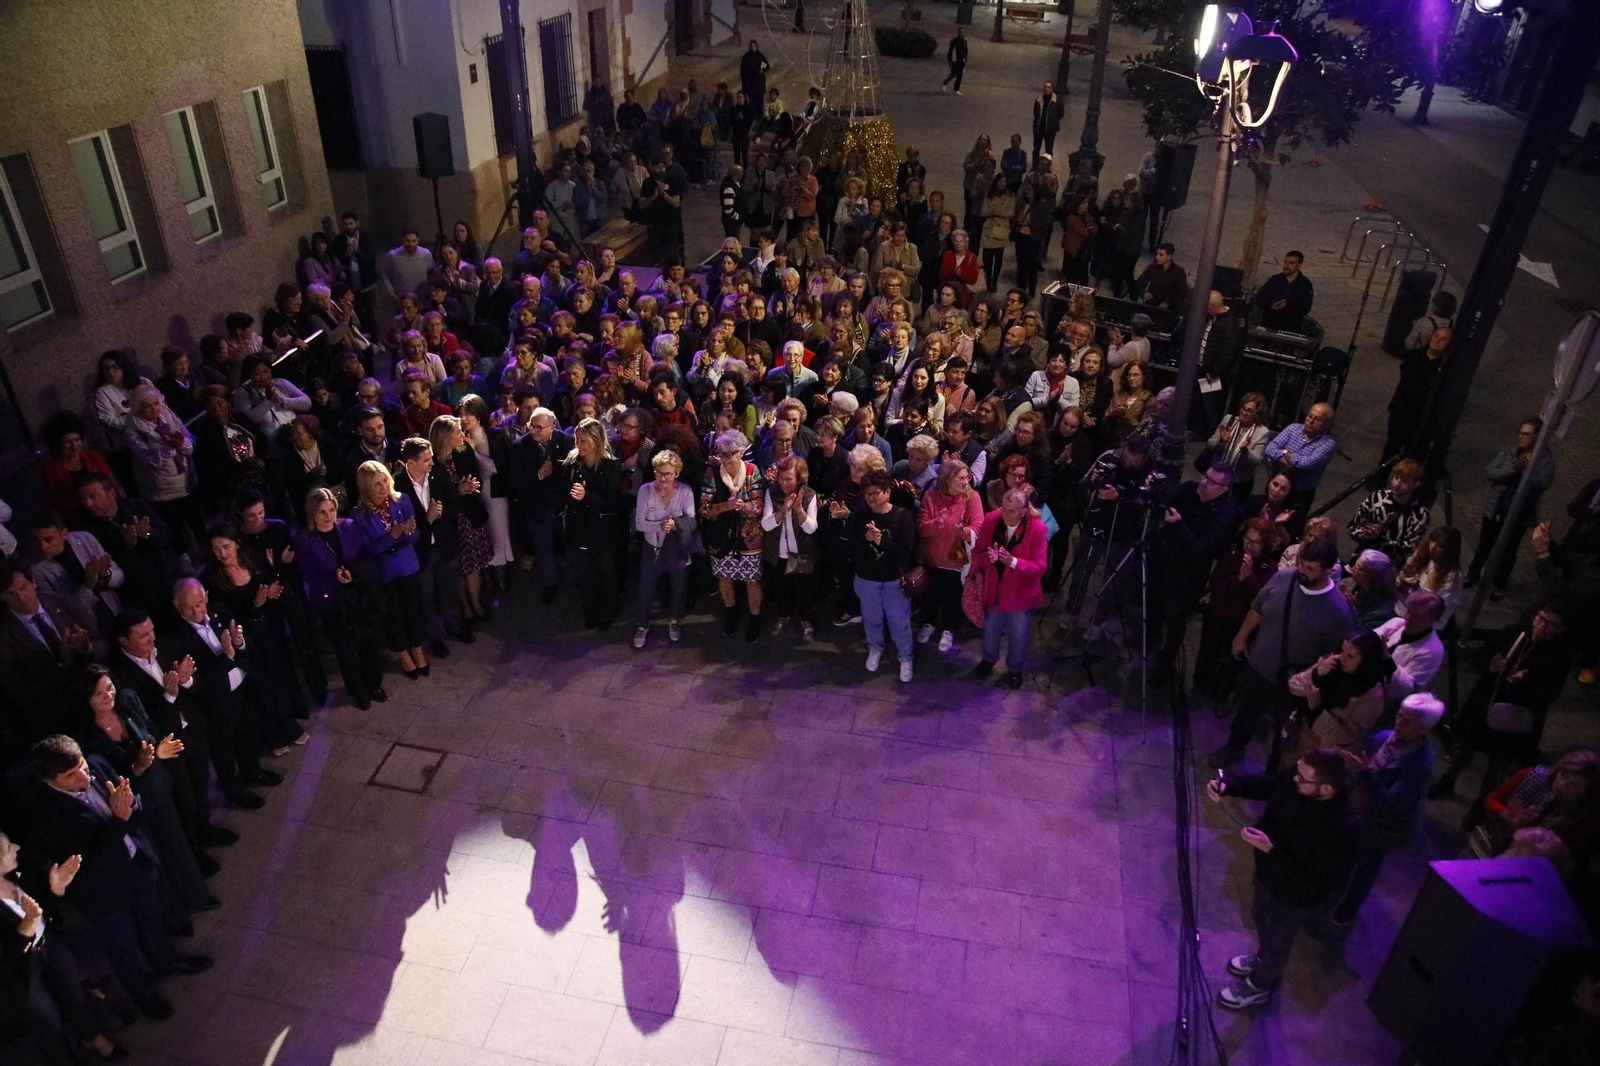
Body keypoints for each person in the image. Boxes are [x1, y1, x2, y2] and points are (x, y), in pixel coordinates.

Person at [26, 735, 214, 1021]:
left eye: (81, 765)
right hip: (103, 893)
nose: (83, 775)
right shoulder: (46, 817)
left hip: (136, 864)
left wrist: (129, 807)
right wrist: (119, 820)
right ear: (49, 780)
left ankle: (165, 961)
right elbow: (85, 865)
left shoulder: (98, 766)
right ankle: (142, 994)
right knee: (122, 945)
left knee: (151, 920)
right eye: (70, 774)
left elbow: (131, 796)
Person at [1205, 748, 1358, 1011]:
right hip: (1268, 874)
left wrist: (1271, 851)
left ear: (1326, 790)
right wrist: (1228, 785)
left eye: (1303, 778)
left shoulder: (1340, 829)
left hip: (1294, 896)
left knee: (1278, 939)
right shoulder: (1295, 780)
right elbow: (1267, 785)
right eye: (1297, 771)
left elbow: (1316, 881)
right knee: (1261, 920)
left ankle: (1259, 985)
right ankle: (1262, 957)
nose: (1294, 779)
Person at [1212, 538, 1355, 771]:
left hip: (1292, 683)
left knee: (1284, 730)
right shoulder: (1284, 577)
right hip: (1258, 665)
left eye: (1310, 569)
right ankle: (1234, 748)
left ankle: (1273, 769)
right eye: (1301, 564)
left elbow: (1333, 655)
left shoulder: (1337, 612)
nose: (1302, 571)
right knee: (1245, 713)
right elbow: (1258, 607)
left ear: (1328, 570)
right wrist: (1241, 637)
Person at [0, 829, 132, 1061]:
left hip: (48, 944)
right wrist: (24, 932)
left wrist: (55, 890)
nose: (16, 849)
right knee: (48, 1022)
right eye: (8, 849)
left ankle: (95, 1038)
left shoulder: (17, 874)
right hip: (20, 974)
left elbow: (42, 908)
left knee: (74, 995)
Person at [1433, 602, 1572, 801]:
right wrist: (1491, 667)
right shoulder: (1512, 633)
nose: (1542, 625)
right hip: (1484, 704)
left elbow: (1549, 694)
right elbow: (1479, 657)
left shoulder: (1558, 658)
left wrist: (1525, 683)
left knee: (1497, 766)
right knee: (1465, 748)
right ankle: (1447, 781)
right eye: (1541, 618)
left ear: (1560, 630)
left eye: (1551, 624)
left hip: (1513, 719)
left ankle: (1483, 805)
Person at [1328, 694, 1446, 927]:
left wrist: (1364, 774)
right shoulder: (1382, 738)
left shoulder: (1419, 764)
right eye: (1399, 716)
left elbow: (1392, 802)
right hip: (1360, 810)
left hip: (1385, 825)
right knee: (1347, 850)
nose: (1398, 723)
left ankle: (1349, 906)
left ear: (1424, 729)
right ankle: (1335, 888)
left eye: (1408, 722)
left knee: (1367, 865)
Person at [1149, 464, 1244, 685]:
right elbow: (1165, 498)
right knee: (1154, 604)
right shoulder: (1191, 490)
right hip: (1163, 560)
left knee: (1175, 619)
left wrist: (1180, 524)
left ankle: (1166, 660)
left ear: (1223, 489)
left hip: (1188, 574)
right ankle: (1150, 639)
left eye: (1211, 482)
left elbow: (1204, 549)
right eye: (1205, 476)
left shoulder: (1228, 512)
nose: (1203, 482)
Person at [294, 488, 385, 709]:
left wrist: (352, 575)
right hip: (331, 601)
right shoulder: (306, 540)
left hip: (355, 594)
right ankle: (357, 690)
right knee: (344, 647)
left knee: (367, 640)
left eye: (332, 510)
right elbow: (309, 576)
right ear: (312, 514)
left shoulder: (349, 527)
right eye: (322, 512)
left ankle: (374, 684)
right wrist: (335, 580)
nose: (328, 517)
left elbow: (364, 556)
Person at [351, 460, 430, 680]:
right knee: (394, 615)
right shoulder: (360, 515)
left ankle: (417, 649)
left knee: (412, 610)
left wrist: (408, 532)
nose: (383, 487)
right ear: (366, 487)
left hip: (407, 565)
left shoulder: (401, 500)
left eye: (384, 480)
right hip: (385, 572)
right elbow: (369, 548)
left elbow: (415, 536)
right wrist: (393, 537)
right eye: (376, 484)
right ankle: (403, 655)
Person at [1192, 518, 1285, 700]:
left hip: (1240, 620)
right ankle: (1200, 684)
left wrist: (1249, 578)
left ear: (1265, 543)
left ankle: (1221, 692)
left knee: (1231, 658)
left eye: (1255, 542)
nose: (1249, 545)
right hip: (1218, 612)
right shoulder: (1232, 555)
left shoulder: (1270, 567)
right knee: (1208, 651)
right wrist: (1238, 580)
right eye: (1247, 539)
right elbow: (1216, 583)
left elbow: (1263, 598)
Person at [968, 488, 1048, 689]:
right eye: (1004, 509)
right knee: (991, 631)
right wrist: (989, 558)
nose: (1006, 515)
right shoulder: (991, 520)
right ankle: (988, 660)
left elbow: (1040, 567)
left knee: (1018, 636)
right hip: (994, 592)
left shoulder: (1037, 529)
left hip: (1020, 596)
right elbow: (977, 554)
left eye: (1012, 511)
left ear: (1024, 510)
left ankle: (1015, 669)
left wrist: (1012, 562)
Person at [1466, 418, 1554, 597]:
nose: (1521, 437)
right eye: (1520, 433)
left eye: (1526, 434)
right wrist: (1512, 471)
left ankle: (1499, 584)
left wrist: (1526, 471)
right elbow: (1491, 471)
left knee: (1508, 551)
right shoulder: (1509, 451)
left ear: (1537, 437)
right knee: (1484, 545)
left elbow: (1541, 484)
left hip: (1518, 515)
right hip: (1496, 508)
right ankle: (1472, 574)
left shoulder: (1546, 459)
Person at [1467, 749, 1599, 860]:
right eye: (1563, 775)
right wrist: (1507, 814)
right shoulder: (1533, 776)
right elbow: (1491, 799)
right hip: (1491, 843)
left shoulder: (1582, 814)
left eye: (1574, 785)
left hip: (1529, 862)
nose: (1563, 785)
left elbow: (1570, 850)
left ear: (1585, 792)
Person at [848, 470, 917, 681]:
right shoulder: (860, 515)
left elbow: (905, 551)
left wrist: (881, 542)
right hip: (867, 578)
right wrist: (866, 539)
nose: (871, 498)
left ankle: (905, 657)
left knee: (899, 622)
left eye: (876, 493)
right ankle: (875, 648)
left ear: (887, 493)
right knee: (872, 619)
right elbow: (851, 548)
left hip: (893, 580)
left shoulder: (902, 516)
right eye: (867, 493)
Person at [555, 418, 623, 630]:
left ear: (597, 440)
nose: (579, 445)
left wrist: (587, 496)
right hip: (580, 529)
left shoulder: (611, 465)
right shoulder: (571, 463)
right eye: (577, 440)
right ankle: (590, 613)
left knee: (606, 574)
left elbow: (612, 501)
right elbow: (562, 494)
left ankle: (607, 614)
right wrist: (572, 498)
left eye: (584, 440)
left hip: (603, 531)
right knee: (585, 575)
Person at [1286, 629, 1395, 754]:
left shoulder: (1373, 694)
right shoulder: (1331, 663)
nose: (1342, 658)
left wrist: (1317, 710)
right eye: (1342, 651)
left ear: (1366, 661)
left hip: (1325, 751)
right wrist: (1316, 674)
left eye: (1350, 656)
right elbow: (1292, 686)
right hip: (1299, 732)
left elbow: (1349, 735)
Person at [760, 454, 821, 640]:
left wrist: (799, 510)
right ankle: (783, 616)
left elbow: (811, 528)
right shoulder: (772, 493)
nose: (784, 483)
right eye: (781, 478)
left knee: (803, 589)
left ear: (799, 478)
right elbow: (766, 525)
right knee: (781, 589)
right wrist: (783, 510)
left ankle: (806, 621)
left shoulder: (809, 494)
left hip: (800, 552)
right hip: (778, 552)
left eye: (789, 479)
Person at [1383, 325, 1450, 461]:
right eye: (1436, 336)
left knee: (1411, 452)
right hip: (1401, 409)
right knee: (1391, 447)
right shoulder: (1416, 355)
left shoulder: (1442, 367)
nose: (1437, 341)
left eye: (1443, 339)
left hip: (1419, 416)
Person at [1348, 458, 1430, 566]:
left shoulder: (1420, 514)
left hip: (1388, 569)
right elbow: (1352, 527)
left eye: (1404, 481)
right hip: (1361, 561)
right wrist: (1365, 533)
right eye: (1395, 477)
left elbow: (1407, 550)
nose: (1396, 484)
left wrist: (1378, 539)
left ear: (1416, 485)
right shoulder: (1377, 497)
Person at [1263, 403, 1336, 506]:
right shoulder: (1293, 428)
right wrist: (1288, 460)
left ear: (1327, 424)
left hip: (1299, 495)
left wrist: (1284, 452)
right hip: (1277, 485)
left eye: (1317, 419)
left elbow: (1304, 463)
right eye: (1310, 416)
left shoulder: (1328, 444)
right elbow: (1270, 448)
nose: (1311, 421)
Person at [1253, 250, 1314, 332]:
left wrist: (1286, 305)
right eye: (1285, 262)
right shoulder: (1275, 279)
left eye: (1291, 263)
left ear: (1299, 265)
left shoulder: (1304, 284)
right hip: (1269, 325)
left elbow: (1305, 307)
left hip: (1289, 328)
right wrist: (1271, 305)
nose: (1286, 265)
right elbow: (1260, 297)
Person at [1133, 243, 1189, 310]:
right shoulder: (1152, 267)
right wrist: (1144, 293)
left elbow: (1181, 293)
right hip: (1151, 305)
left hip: (1169, 309)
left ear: (1169, 257)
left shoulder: (1179, 272)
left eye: (1161, 255)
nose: (1157, 257)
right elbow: (1140, 283)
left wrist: (1168, 302)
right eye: (1157, 254)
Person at [1031, 81, 1064, 160]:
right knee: (1036, 149)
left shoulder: (1057, 101)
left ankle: (1047, 166)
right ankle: (1035, 165)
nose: (1047, 89)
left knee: (1049, 150)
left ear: (1052, 89)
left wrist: (1053, 122)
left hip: (1050, 130)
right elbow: (1035, 112)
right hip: (1039, 129)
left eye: (1049, 87)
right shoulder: (1039, 100)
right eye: (1045, 87)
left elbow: (1061, 113)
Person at [942, 26, 967, 94]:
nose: (962, 33)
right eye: (960, 32)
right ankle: (945, 82)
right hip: (955, 60)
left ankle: (956, 89)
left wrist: (965, 60)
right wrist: (949, 60)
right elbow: (950, 51)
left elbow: (966, 51)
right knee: (954, 74)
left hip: (962, 60)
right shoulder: (954, 41)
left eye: (963, 32)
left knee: (960, 75)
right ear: (958, 32)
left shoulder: (964, 41)